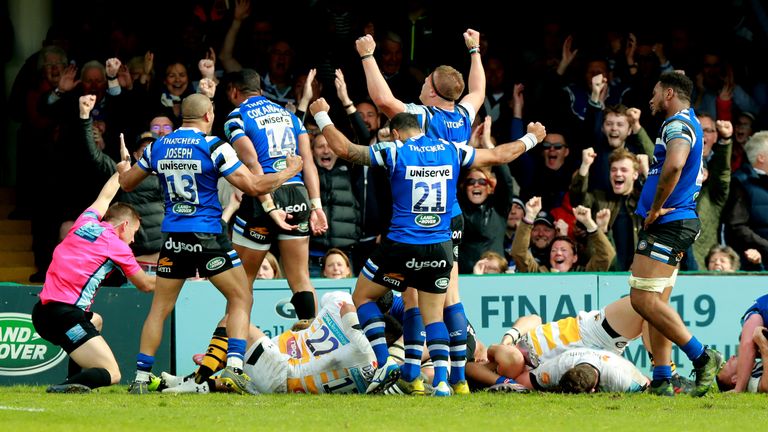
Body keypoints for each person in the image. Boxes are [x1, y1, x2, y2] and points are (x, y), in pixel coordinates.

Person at [309, 98, 545, 396]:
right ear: (420, 128)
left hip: (402, 244)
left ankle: (384, 363)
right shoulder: (450, 149)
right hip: (440, 246)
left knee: (364, 296)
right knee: (434, 314)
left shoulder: (395, 150)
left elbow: (346, 150)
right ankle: (444, 382)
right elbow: (499, 154)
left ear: (395, 133)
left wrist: (321, 116)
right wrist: (532, 138)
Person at [117, 93, 303, 394]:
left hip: (175, 238)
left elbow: (126, 184)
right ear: (208, 116)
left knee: (160, 309)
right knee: (241, 297)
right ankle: (234, 368)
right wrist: (289, 172)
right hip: (208, 237)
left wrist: (123, 168)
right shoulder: (214, 146)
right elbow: (254, 185)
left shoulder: (157, 147)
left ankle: (140, 378)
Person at [356, 29, 486, 394]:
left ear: (432, 89)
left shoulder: (422, 118)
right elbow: (477, 91)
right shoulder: (462, 114)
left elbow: (382, 99)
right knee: (449, 294)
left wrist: (367, 55)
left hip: (421, 216)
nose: (422, 81)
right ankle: (453, 379)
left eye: (426, 79)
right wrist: (474, 51)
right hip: (452, 212)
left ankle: (412, 374)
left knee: (416, 295)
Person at [628, 71, 723, 397]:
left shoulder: (676, 125)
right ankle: (661, 378)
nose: (651, 99)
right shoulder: (689, 121)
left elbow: (674, 164)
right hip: (678, 221)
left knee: (642, 299)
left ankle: (702, 355)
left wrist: (655, 208)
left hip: (669, 222)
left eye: (655, 92)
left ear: (669, 94)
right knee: (657, 302)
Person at [31, 173, 155, 393]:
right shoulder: (117, 246)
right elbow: (145, 284)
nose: (134, 240)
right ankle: (65, 387)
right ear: (124, 226)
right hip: (65, 315)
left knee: (95, 320)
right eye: (134, 233)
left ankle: (75, 382)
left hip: (43, 312)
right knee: (112, 373)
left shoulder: (84, 221)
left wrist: (121, 171)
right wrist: (177, 277)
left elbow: (105, 196)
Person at [223, 68, 328, 320]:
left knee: (242, 283)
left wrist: (269, 207)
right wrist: (316, 207)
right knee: (301, 279)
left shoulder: (236, 117)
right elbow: (308, 163)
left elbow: (253, 166)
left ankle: (233, 351)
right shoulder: (289, 116)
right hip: (297, 196)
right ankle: (312, 343)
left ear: (234, 91)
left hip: (264, 198)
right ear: (260, 90)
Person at [158, 292, 377, 394]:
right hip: (289, 383)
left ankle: (198, 376)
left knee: (233, 318)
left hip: (283, 372)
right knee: (237, 368)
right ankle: (185, 383)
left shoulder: (341, 303)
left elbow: (345, 305)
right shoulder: (369, 352)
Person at [717, 294, 768, 393]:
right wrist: (763, 345)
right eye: (724, 365)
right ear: (735, 379)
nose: (731, 357)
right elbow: (766, 386)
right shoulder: (753, 382)